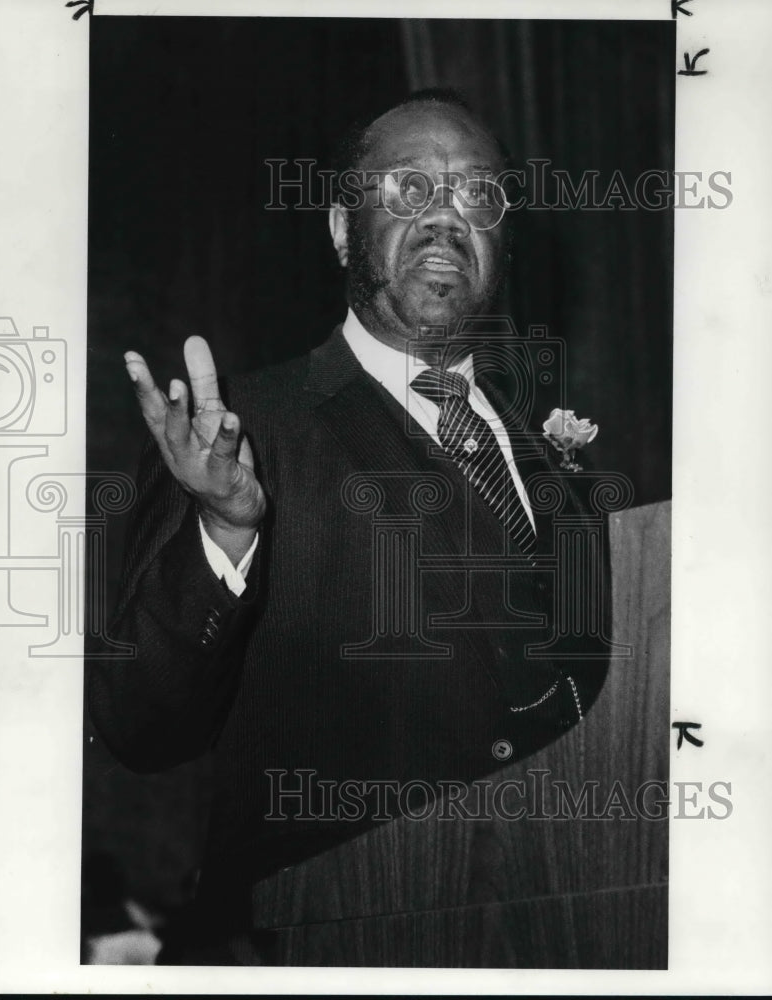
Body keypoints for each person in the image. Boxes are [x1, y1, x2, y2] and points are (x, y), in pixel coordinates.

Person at [87, 89, 612, 965]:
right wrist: (224, 531)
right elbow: (141, 726)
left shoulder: (557, 461)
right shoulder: (248, 428)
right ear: (340, 227)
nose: (447, 219)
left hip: (547, 936)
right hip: (320, 944)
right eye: (408, 191)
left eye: (478, 196)